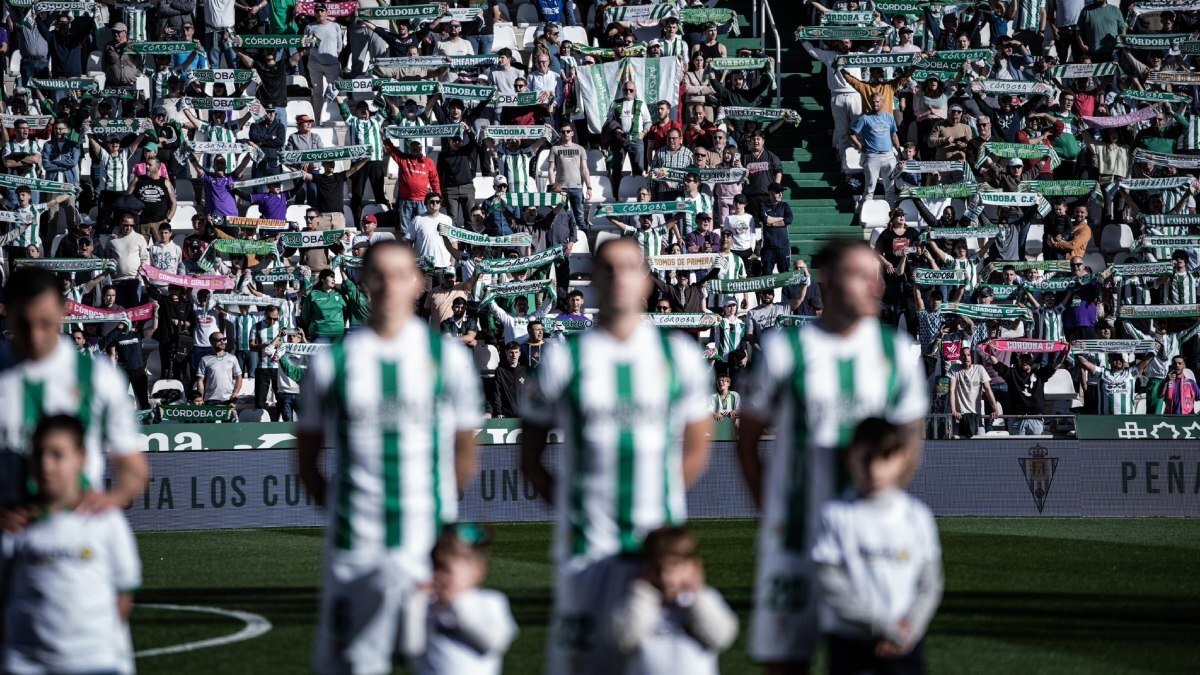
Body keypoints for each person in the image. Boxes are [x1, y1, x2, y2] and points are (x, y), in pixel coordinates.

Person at [521, 238, 712, 675]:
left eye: (630, 267)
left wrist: (658, 502)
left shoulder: (679, 357)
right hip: (585, 553)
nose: (619, 277)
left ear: (646, 280)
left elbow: (697, 447)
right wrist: (574, 509)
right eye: (608, 268)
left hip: (660, 555)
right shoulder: (562, 360)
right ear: (594, 281)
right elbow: (530, 456)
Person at [736, 238, 927, 674]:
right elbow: (746, 440)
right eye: (860, 275)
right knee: (784, 662)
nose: (875, 286)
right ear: (826, 282)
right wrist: (771, 510)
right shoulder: (785, 350)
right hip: (794, 540)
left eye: (876, 276)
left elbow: (910, 441)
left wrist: (881, 508)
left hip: (866, 542)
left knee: (871, 658)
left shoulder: (895, 354)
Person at [297, 241, 482, 675]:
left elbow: (465, 449)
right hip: (355, 549)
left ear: (418, 283)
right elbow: (307, 459)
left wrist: (440, 507)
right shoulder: (333, 364)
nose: (390, 285)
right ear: (364, 284)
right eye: (379, 275)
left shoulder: (447, 359)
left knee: (447, 664)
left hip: (428, 545)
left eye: (401, 274)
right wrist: (346, 510)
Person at [0, 268, 149, 527]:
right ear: (7, 313)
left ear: (63, 311)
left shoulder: (98, 378)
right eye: (24, 324)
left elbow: (133, 467)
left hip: (78, 538)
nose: (35, 336)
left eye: (45, 322)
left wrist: (111, 500)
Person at [0, 415, 141, 675]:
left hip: (95, 662)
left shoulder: (106, 522)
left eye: (57, 455)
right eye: (39, 454)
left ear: (81, 458)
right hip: (25, 664)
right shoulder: (14, 526)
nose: (46, 465)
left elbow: (123, 594)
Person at [812, 417, 942, 675]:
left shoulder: (917, 516)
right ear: (851, 458)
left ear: (902, 459)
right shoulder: (835, 515)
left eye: (884, 457)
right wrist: (882, 627)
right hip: (851, 643)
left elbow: (930, 583)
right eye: (866, 459)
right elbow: (829, 581)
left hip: (906, 644)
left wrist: (909, 628)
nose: (874, 469)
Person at [609, 526, 740, 675]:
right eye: (657, 568)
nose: (665, 577)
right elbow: (623, 640)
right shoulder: (637, 602)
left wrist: (696, 597)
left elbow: (721, 637)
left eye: (674, 566)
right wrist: (643, 595)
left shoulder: (704, 599)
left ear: (694, 567)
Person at [401, 524, 517, 675]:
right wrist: (413, 604)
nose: (439, 575)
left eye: (446, 569)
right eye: (436, 567)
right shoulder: (428, 604)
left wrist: (457, 606)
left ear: (477, 571)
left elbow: (495, 642)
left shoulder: (490, 601)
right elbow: (411, 650)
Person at [849, 93, 901, 204]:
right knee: (869, 188)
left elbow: (894, 135)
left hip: (889, 155)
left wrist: (898, 150)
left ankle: (891, 214)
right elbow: (851, 133)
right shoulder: (864, 118)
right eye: (873, 102)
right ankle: (864, 213)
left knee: (890, 188)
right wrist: (859, 146)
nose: (875, 104)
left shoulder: (889, 116)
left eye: (877, 102)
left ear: (882, 102)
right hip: (872, 156)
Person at [1076, 352, 1155, 415]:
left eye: (1120, 359)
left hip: (1128, 417)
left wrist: (1154, 348)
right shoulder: (1102, 373)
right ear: (1109, 360)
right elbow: (1084, 361)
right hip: (1106, 418)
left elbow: (1146, 360)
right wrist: (1075, 348)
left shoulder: (1131, 373)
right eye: (1115, 358)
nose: (1118, 361)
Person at [948, 349, 999, 439]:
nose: (966, 357)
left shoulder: (979, 369)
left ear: (972, 357)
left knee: (980, 445)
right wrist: (953, 410)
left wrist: (995, 409)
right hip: (960, 416)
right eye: (963, 355)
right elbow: (952, 390)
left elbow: (988, 390)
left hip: (977, 415)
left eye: (968, 355)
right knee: (957, 445)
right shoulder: (954, 369)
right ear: (960, 357)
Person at [196, 331, 243, 407]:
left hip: (228, 399)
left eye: (224, 339)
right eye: (219, 340)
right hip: (210, 399)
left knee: (229, 419)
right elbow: (200, 380)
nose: (222, 342)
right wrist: (201, 398)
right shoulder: (204, 359)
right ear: (211, 342)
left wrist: (235, 393)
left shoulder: (232, 358)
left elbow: (239, 377)